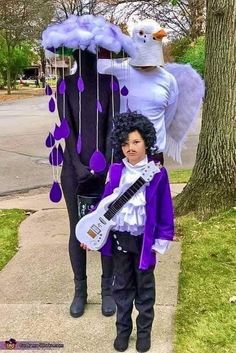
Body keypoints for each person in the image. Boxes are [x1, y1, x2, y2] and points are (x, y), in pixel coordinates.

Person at [81, 112, 174, 352]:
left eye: (136, 142)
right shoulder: (114, 172)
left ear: (146, 143)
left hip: (144, 243)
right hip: (120, 241)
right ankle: (123, 331)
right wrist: (91, 233)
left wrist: (162, 237)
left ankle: (144, 333)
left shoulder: (157, 173)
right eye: (125, 143)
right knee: (121, 288)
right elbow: (104, 207)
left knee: (145, 289)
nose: (130, 148)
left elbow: (165, 208)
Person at [56, 49, 120, 318]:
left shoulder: (111, 84)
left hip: (104, 170)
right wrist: (77, 164)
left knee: (104, 228)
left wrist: (105, 164)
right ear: (72, 54)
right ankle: (80, 290)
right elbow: (66, 129)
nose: (85, 56)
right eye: (79, 52)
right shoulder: (64, 86)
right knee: (77, 229)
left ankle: (107, 290)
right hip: (73, 170)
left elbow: (112, 127)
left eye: (90, 51)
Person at [98, 19, 179, 165]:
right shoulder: (114, 73)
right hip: (122, 154)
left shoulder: (168, 80)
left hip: (153, 156)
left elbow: (167, 117)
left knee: (155, 188)